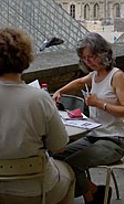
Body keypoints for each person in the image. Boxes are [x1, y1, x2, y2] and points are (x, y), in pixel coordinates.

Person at [53, 33, 124, 204]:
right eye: (84, 58)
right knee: (56, 156)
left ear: (103, 54)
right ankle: (95, 192)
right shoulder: (95, 75)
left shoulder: (116, 76)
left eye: (91, 57)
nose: (88, 61)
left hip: (113, 141)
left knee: (72, 164)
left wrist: (99, 103)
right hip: (94, 136)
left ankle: (91, 197)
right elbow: (78, 82)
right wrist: (60, 91)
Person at [0, 28, 75, 204]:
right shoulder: (39, 98)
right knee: (69, 173)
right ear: (25, 58)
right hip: (35, 190)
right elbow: (59, 146)